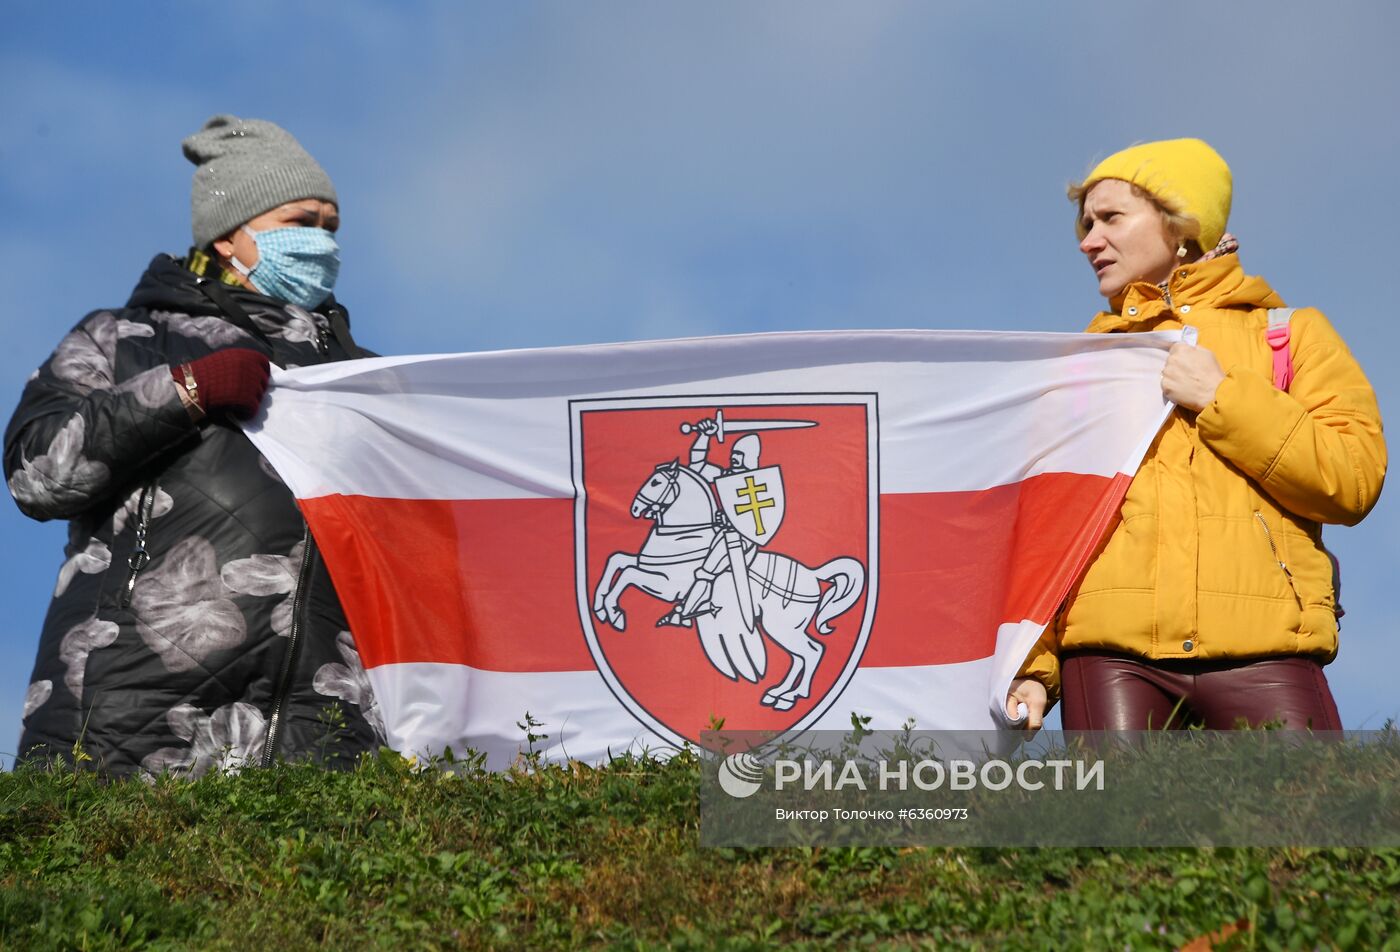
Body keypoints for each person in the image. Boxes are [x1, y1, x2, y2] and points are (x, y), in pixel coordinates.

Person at [6, 115, 383, 776]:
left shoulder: (362, 377)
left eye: (331, 227)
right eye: (300, 222)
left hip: (322, 738)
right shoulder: (120, 340)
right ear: (229, 235)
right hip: (130, 726)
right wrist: (185, 390)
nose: (321, 243)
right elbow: (36, 472)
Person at [1006, 138, 1386, 731]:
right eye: (1086, 224)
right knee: (1117, 802)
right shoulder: (1083, 364)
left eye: (1111, 218)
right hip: (1107, 654)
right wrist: (1035, 666)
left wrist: (1222, 398)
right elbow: (1049, 525)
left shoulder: (1291, 335)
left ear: (1180, 223)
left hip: (1269, 643)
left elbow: (1352, 479)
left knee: (1312, 797)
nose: (1088, 241)